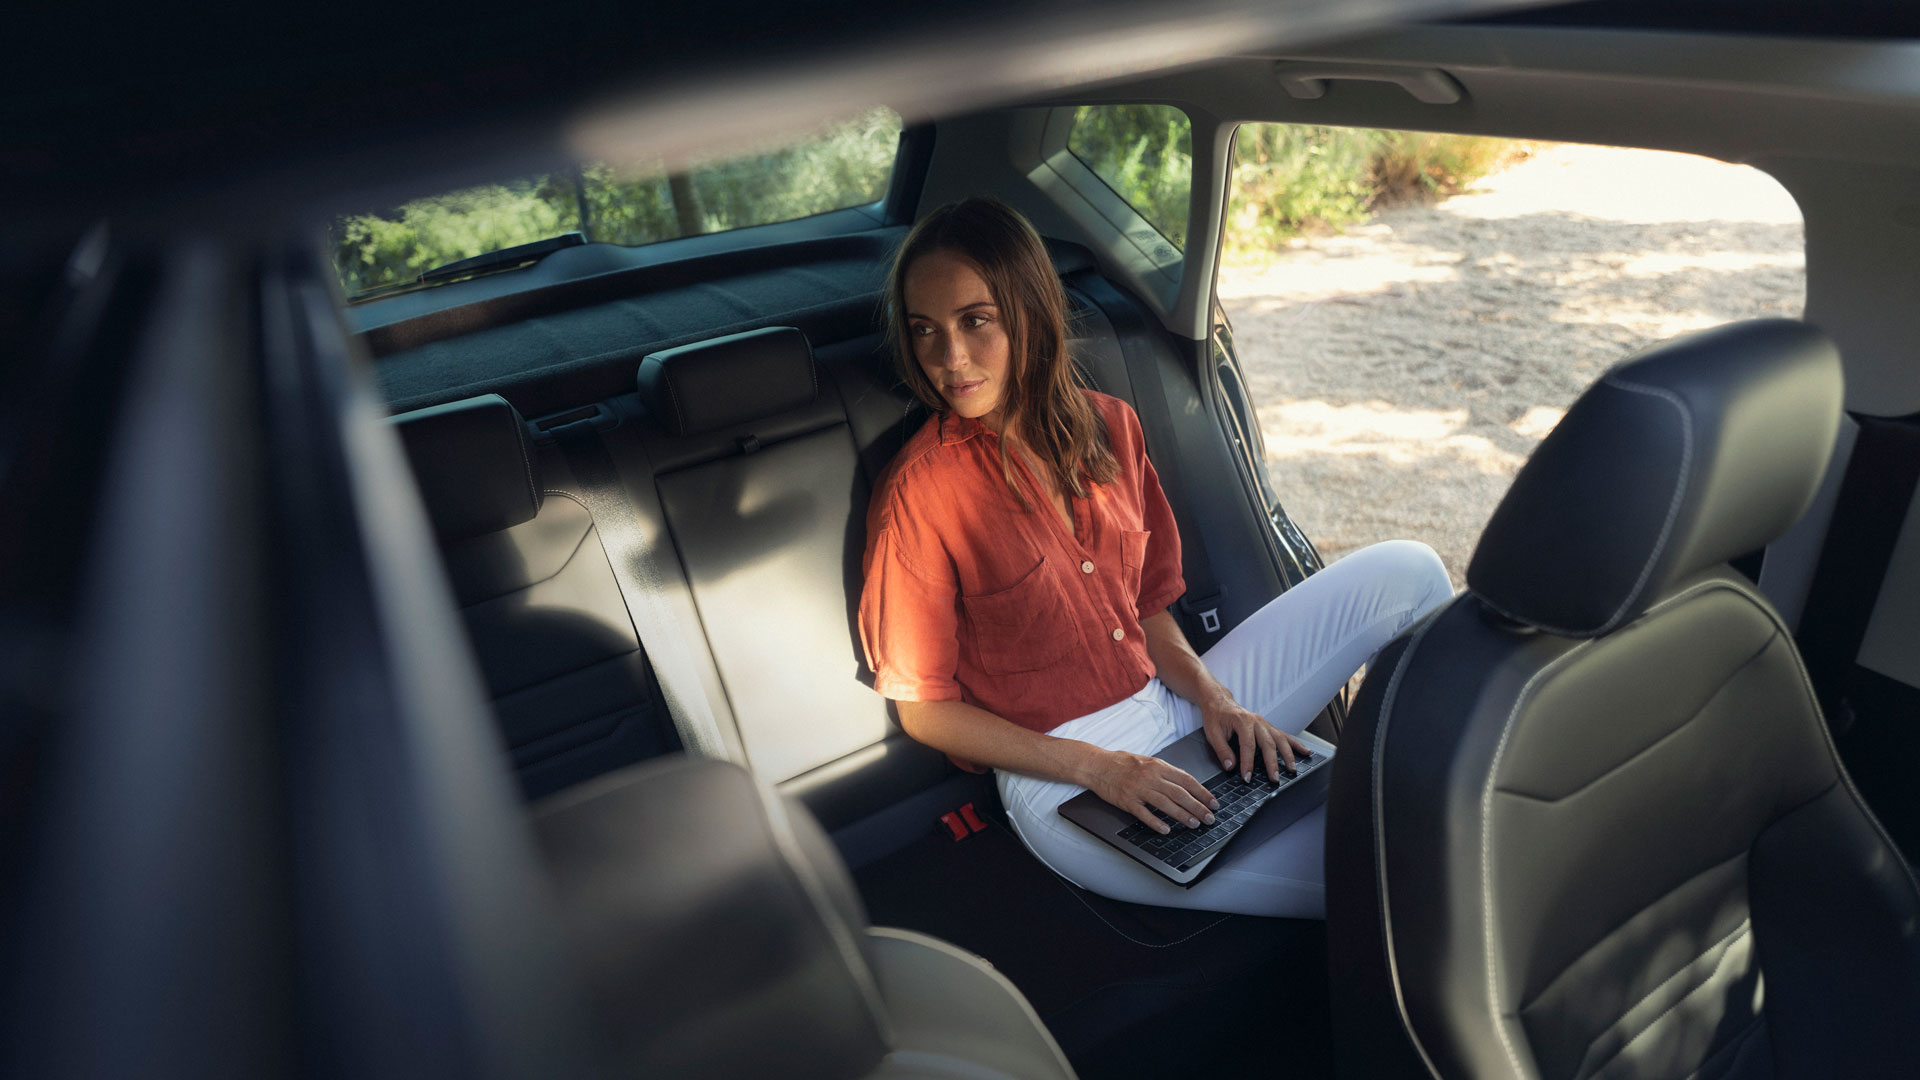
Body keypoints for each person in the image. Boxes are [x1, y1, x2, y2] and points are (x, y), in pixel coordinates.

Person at [857, 196, 1452, 918]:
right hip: (1060, 780)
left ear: (1029, 311)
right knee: (1395, 889)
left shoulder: (1112, 426)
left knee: (1410, 570)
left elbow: (1145, 611)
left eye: (975, 321)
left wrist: (1215, 701)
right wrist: (1099, 769)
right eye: (926, 332)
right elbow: (924, 711)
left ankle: (1453, 774)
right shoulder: (922, 493)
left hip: (1170, 705)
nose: (949, 359)